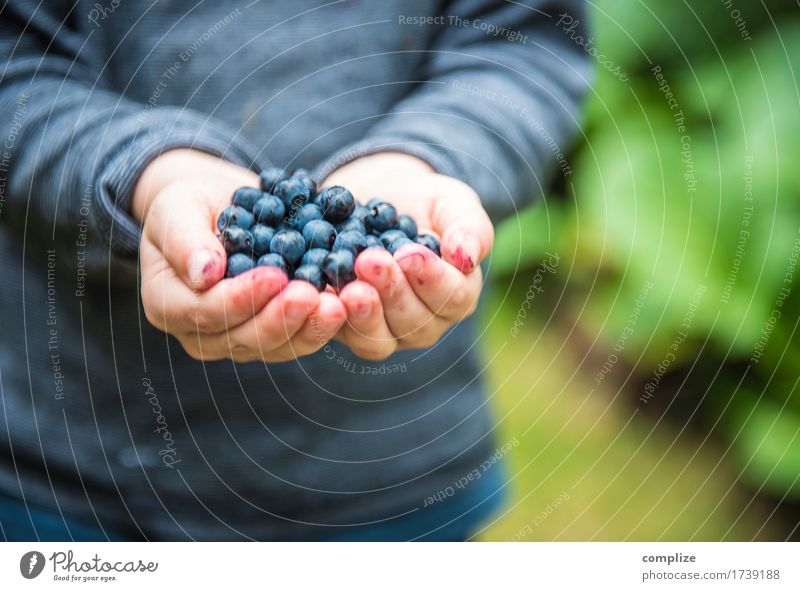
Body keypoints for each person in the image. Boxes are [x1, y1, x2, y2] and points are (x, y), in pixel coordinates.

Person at [0, 1, 590, 541]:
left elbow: (526, 45)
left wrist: (425, 153)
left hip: (386, 469)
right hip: (72, 467)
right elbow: (16, 62)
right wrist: (147, 173)